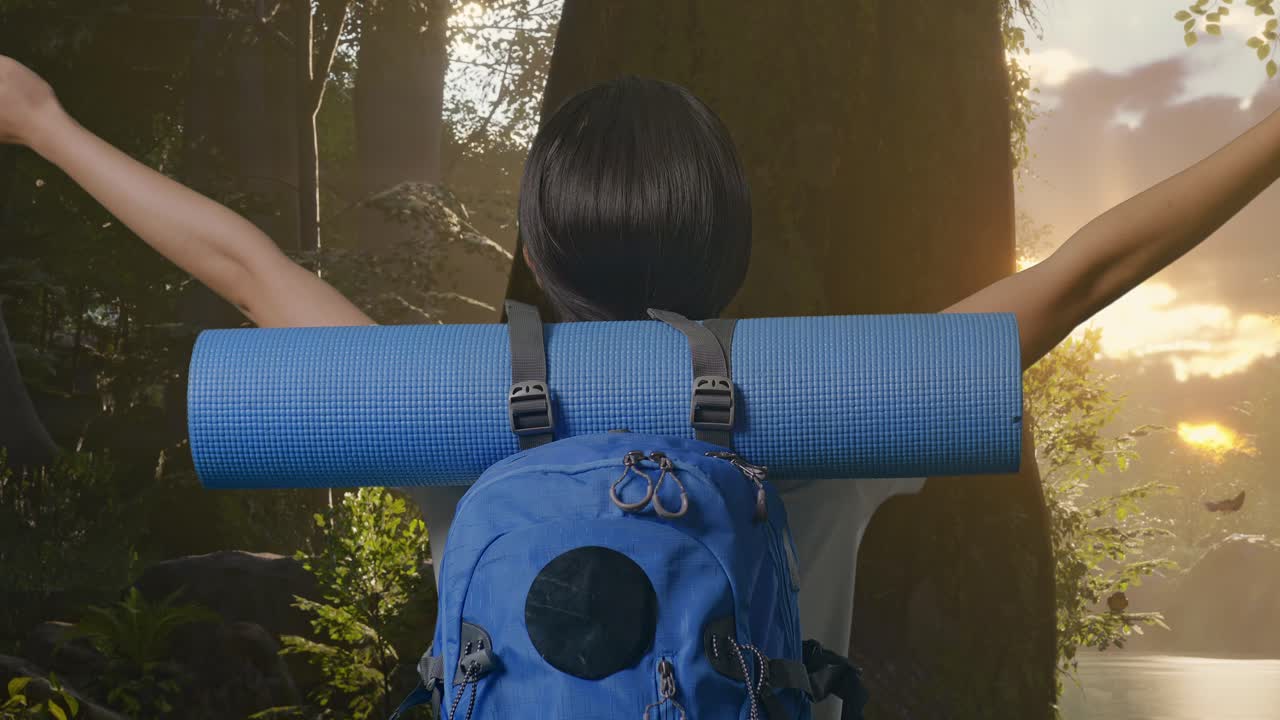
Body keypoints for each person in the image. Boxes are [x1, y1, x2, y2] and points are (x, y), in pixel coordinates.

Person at [3, 54, 1278, 719]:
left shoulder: (442, 410)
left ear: (540, 249)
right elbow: (1091, 264)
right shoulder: (834, 410)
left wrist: (45, 120)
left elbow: (246, 270)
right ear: (730, 242)